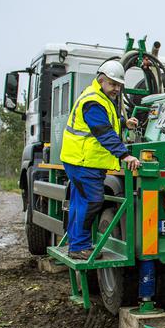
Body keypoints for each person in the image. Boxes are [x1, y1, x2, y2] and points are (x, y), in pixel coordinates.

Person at [60, 60, 141, 260]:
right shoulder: (93, 101)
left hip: (81, 161)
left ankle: (76, 242)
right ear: (101, 80)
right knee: (93, 201)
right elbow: (103, 132)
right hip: (83, 161)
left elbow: (107, 121)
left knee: (80, 202)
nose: (116, 89)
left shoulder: (99, 97)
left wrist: (124, 122)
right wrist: (125, 155)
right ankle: (79, 247)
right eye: (113, 84)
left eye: (119, 85)